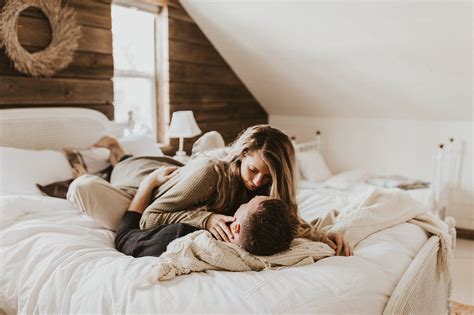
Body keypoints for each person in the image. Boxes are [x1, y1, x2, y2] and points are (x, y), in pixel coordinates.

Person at [67, 125, 351, 256]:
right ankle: (114, 154)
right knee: (85, 187)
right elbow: (148, 219)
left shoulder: (267, 182)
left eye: (267, 178)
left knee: (211, 139)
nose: (257, 182)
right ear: (240, 156)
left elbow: (284, 216)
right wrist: (205, 219)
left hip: (182, 177)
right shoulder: (210, 173)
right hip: (141, 180)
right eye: (253, 171)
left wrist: (320, 235)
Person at [115, 166, 295, 257]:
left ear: (235, 228)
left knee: (90, 184)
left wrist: (146, 185)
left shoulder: (181, 237)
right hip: (177, 177)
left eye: (249, 203)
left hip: (137, 180)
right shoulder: (261, 242)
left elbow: (124, 239)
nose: (247, 199)